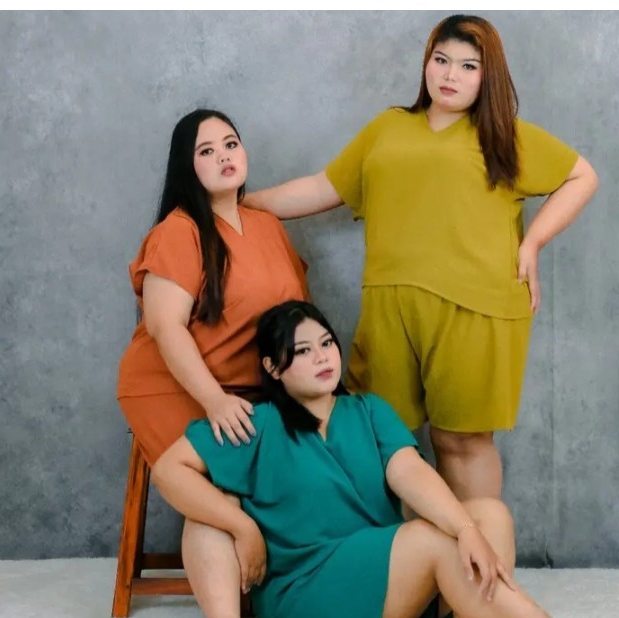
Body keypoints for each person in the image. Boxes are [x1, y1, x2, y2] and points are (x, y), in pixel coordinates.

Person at [152, 300, 619, 618]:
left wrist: (465, 528)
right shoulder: (257, 424)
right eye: (302, 351)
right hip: (311, 590)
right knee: (430, 540)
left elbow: (411, 472)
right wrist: (241, 526)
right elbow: (169, 469)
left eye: (326, 343)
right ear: (273, 367)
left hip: (390, 574)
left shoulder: (368, 411)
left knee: (487, 513)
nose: (322, 357)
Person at [242, 14, 600, 502]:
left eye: (468, 66)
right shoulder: (388, 127)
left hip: (476, 307)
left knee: (460, 441)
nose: (450, 75)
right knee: (382, 438)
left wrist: (532, 242)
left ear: (488, 75)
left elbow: (581, 177)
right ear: (427, 63)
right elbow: (324, 187)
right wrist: (239, 204)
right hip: (389, 308)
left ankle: (480, 551)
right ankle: (411, 550)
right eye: (441, 60)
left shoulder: (503, 135)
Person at [116, 108, 309, 618]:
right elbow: (165, 328)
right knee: (218, 485)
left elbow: (294, 321)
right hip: (173, 383)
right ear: (187, 166)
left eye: (231, 143)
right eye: (206, 150)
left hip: (245, 389)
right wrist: (214, 402)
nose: (224, 156)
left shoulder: (267, 225)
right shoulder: (179, 231)